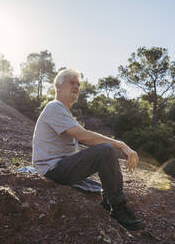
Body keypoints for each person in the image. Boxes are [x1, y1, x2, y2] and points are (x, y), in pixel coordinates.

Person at [32, 68, 145, 231]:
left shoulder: (65, 113)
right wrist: (120, 145)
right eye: (71, 82)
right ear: (58, 85)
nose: (76, 86)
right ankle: (117, 208)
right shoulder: (54, 107)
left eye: (78, 84)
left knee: (104, 153)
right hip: (54, 169)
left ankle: (108, 200)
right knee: (106, 150)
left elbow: (85, 138)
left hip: (62, 167)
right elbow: (83, 136)